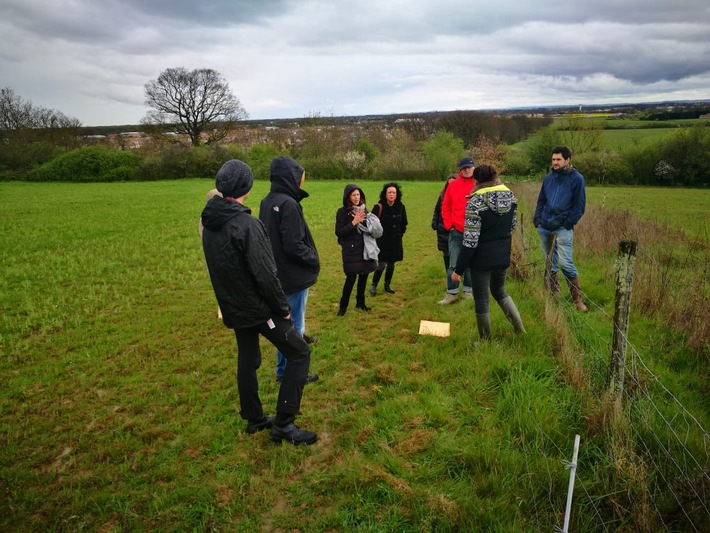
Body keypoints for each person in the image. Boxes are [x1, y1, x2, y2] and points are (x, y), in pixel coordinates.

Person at [201, 159, 317, 445]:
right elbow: (266, 274)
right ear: (247, 187)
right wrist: (282, 310)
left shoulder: (210, 221)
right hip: (256, 308)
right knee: (300, 353)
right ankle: (284, 424)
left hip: (233, 305)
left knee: (248, 357)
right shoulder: (246, 224)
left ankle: (254, 418)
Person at [259, 156, 320, 385]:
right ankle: (291, 373)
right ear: (291, 177)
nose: (301, 182)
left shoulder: (267, 201)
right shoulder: (289, 204)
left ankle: (283, 369)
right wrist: (313, 258)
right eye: (299, 177)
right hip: (293, 276)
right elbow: (295, 245)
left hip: (276, 274)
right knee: (295, 326)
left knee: (284, 325)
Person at [452, 165, 525, 340]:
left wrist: (458, 269)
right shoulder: (511, 197)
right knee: (499, 290)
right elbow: (512, 226)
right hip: (502, 255)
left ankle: (485, 340)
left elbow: (470, 240)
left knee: (481, 299)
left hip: (481, 260)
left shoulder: (475, 202)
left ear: (477, 180)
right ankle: (520, 329)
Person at [533, 146, 589, 312]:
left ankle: (577, 300)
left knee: (566, 263)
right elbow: (541, 200)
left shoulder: (577, 179)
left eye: (558, 159)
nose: (555, 163)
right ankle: (553, 295)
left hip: (563, 228)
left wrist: (567, 223)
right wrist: (538, 220)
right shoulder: (548, 178)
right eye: (553, 159)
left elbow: (579, 206)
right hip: (545, 227)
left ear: (567, 160)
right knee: (550, 263)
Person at [335, 184, 378, 315]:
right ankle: (343, 307)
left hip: (364, 248)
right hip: (351, 250)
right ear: (347, 197)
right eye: (353, 195)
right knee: (351, 278)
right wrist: (354, 222)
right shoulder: (342, 212)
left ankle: (361, 303)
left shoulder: (364, 210)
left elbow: (367, 228)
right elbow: (339, 232)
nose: (356, 197)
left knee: (364, 275)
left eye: (358, 194)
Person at [439, 156, 476, 304]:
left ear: (474, 168)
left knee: (470, 264)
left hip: (473, 231)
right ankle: (451, 293)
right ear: (460, 170)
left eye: (469, 167)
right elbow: (445, 206)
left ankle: (468, 291)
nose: (467, 170)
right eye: (464, 168)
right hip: (456, 231)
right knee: (453, 264)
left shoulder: (479, 185)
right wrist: (449, 225)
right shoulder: (453, 186)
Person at [369, 182, 408, 296]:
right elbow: (371, 223)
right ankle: (374, 285)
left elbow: (404, 223)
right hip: (382, 241)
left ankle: (387, 285)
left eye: (394, 192)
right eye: (389, 192)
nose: (391, 194)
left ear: (397, 194)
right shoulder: (379, 207)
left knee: (391, 264)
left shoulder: (401, 206)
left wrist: (400, 234)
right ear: (385, 194)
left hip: (395, 241)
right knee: (382, 264)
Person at [431, 174, 458, 299]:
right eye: (449, 183)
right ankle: (450, 279)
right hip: (443, 230)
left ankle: (457, 279)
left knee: (457, 255)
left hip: (456, 229)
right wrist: (435, 223)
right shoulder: (442, 196)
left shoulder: (460, 195)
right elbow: (437, 210)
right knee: (446, 255)